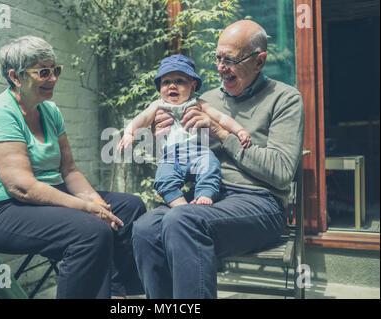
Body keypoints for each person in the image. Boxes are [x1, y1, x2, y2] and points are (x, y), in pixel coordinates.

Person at [131, 20, 305, 298]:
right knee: (145, 228)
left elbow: (281, 171)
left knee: (183, 220)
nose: (221, 67)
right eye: (218, 58)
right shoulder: (204, 100)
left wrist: (222, 133)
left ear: (259, 62)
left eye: (231, 60)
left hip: (261, 205)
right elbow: (185, 163)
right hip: (209, 198)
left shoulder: (285, 99)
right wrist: (163, 139)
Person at [0, 36, 145, 299]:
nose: (53, 79)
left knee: (129, 208)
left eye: (55, 70)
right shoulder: (0, 114)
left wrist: (97, 202)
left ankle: (115, 295)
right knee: (89, 231)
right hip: (1, 211)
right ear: (16, 77)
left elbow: (69, 170)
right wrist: (86, 208)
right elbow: (22, 188)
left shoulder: (49, 111)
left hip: (45, 199)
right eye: (43, 72)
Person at [117, 54, 251, 207]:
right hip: (171, 154)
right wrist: (129, 132)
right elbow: (142, 117)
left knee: (211, 165)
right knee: (163, 177)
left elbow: (221, 118)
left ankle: (204, 194)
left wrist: (239, 131)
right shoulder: (158, 105)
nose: (172, 86)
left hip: (197, 151)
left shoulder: (198, 103)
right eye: (166, 82)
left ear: (192, 86)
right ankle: (179, 204)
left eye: (179, 81)